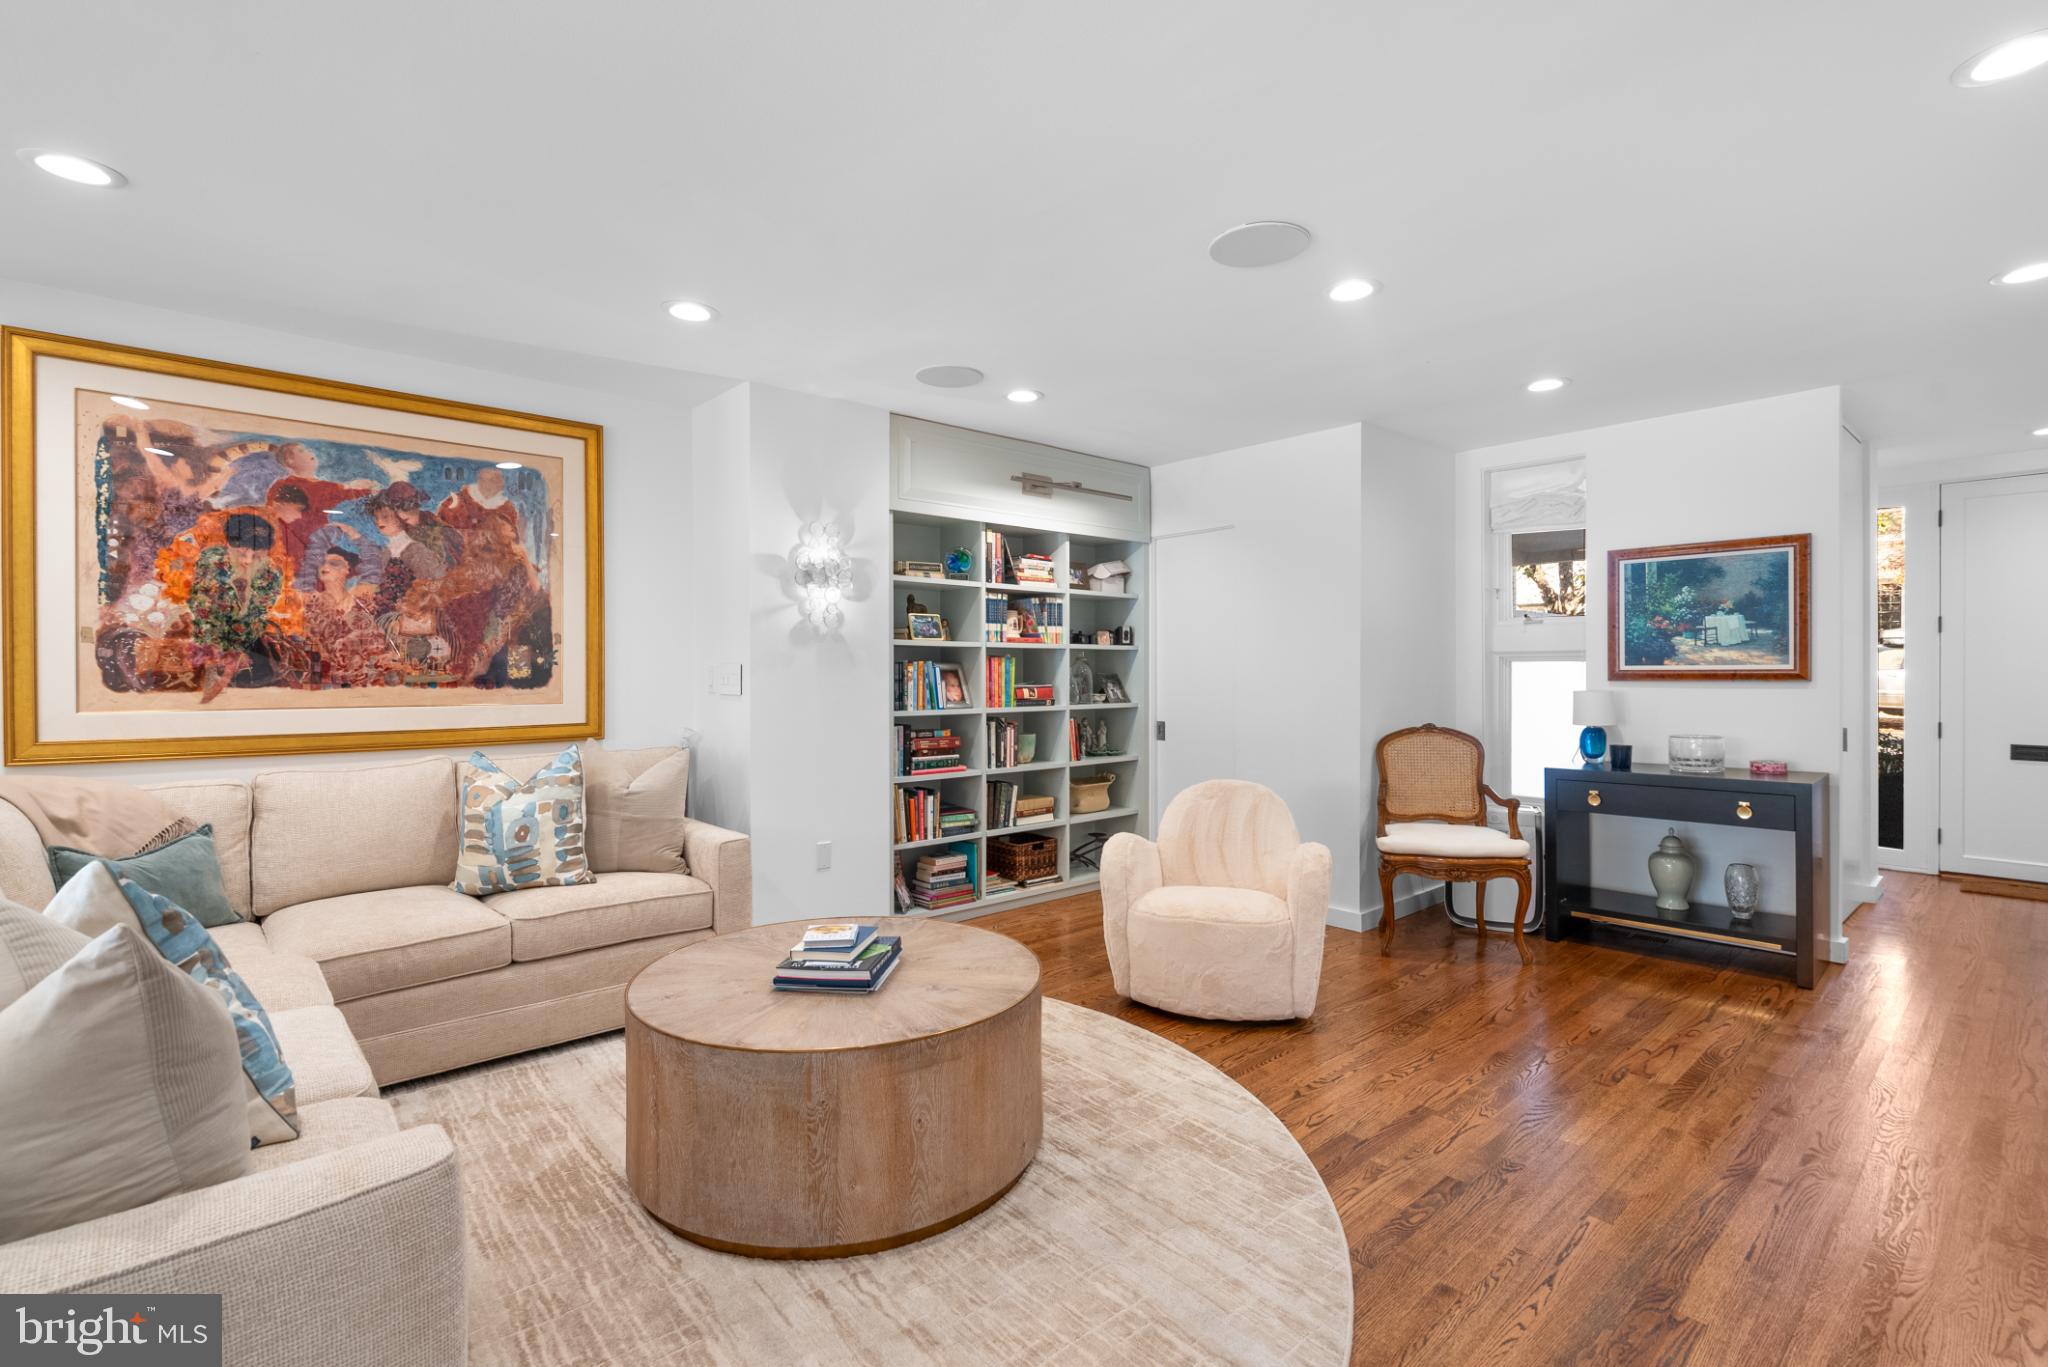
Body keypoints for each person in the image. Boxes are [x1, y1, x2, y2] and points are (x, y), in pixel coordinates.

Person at [187, 512, 286, 702]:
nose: (248, 560)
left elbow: (255, 618)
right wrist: (217, 656)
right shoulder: (211, 562)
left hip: (249, 644)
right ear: (228, 546)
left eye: (257, 555)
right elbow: (204, 613)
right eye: (241, 553)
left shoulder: (271, 573)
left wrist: (235, 655)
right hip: (207, 640)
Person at [301, 547, 393, 688]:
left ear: (347, 570)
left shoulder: (360, 604)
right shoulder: (311, 603)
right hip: (323, 677)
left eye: (334, 563)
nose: (325, 566)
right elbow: (306, 643)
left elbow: (376, 644)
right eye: (322, 562)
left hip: (361, 677)